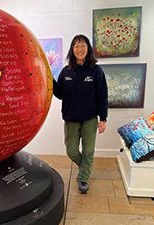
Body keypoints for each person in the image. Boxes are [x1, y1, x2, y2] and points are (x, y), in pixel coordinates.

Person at [53, 34, 108, 194]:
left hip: (90, 118)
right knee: (71, 151)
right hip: (70, 119)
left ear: (88, 48)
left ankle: (83, 179)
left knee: (88, 151)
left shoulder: (96, 71)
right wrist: (51, 81)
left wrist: (103, 118)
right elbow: (61, 94)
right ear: (72, 49)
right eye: (76, 46)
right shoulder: (66, 71)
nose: (80, 49)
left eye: (83, 45)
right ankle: (85, 166)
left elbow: (102, 95)